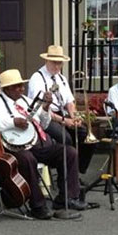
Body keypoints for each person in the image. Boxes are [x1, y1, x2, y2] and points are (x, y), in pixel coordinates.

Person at [0, 69, 87, 220]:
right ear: (7, 88)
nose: (22, 89)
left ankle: (67, 199)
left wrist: (45, 108)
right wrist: (12, 122)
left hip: (36, 143)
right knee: (27, 159)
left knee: (69, 152)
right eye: (18, 86)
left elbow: (43, 124)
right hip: (10, 147)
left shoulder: (25, 101)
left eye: (22, 86)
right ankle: (37, 206)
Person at [28, 45, 96, 174]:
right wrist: (64, 120)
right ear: (46, 61)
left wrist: (74, 116)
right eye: (54, 63)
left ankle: (77, 171)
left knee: (86, 135)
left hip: (62, 114)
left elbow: (69, 102)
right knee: (67, 139)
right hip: (46, 117)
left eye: (60, 63)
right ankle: (67, 174)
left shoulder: (61, 78)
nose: (57, 66)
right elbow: (41, 110)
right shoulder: (37, 79)